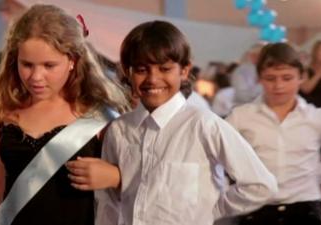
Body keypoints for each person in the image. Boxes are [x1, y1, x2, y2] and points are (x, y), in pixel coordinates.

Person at [93, 20, 277, 225]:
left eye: (164, 69)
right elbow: (107, 200)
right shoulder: (119, 129)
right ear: (128, 72)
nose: (153, 79)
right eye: (142, 69)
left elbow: (260, 185)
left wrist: (212, 211)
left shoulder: (204, 125)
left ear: (184, 71)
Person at [0, 4, 128, 225]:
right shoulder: (5, 114)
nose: (36, 77)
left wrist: (116, 177)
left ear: (72, 61)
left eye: (49, 65)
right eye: (27, 64)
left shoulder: (100, 118)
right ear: (14, 60)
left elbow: (140, 184)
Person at [226, 43, 321, 225]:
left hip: (305, 209)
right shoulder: (241, 116)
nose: (279, 86)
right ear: (259, 78)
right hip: (256, 209)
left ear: (301, 77)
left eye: (287, 78)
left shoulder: (316, 117)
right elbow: (215, 154)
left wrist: (317, 174)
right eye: (270, 78)